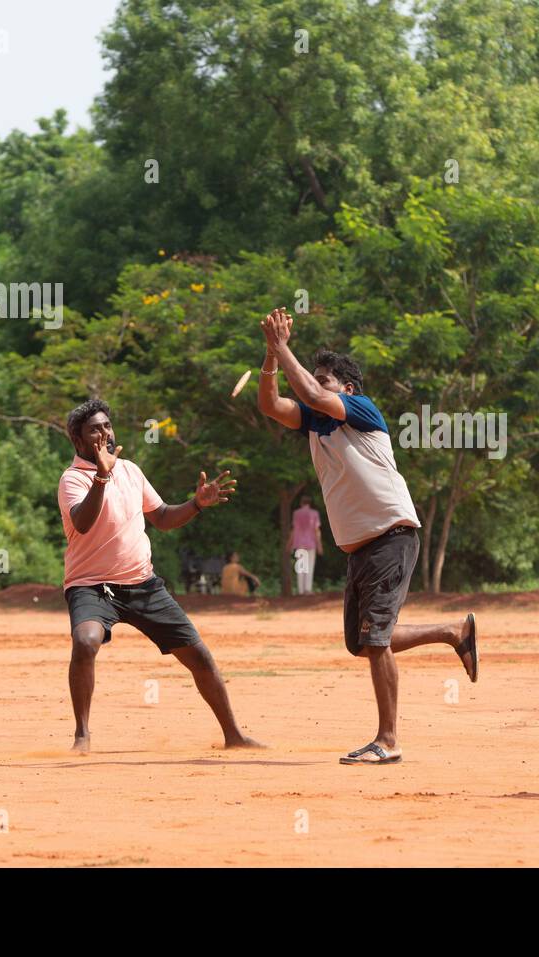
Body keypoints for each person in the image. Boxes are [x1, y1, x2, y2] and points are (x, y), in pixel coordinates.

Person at [255, 306, 478, 765]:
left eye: (326, 378)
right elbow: (271, 405)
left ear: (348, 389)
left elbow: (314, 395)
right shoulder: (317, 424)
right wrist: (271, 358)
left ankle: (389, 741)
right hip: (360, 548)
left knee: (375, 640)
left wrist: (284, 346)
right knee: (361, 641)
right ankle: (455, 630)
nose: (316, 384)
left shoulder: (362, 411)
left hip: (391, 536)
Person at [58, 398, 263, 753]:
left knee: (198, 655)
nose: (104, 433)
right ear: (78, 441)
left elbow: (164, 518)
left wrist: (197, 504)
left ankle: (234, 735)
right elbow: (83, 521)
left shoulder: (131, 470)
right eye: (95, 428)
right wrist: (102, 477)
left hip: (141, 583)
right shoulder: (72, 479)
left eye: (107, 425)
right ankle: (82, 735)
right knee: (86, 640)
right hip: (92, 586)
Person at [290, 496, 323, 594]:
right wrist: (319, 545)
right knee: (309, 566)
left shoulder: (296, 513)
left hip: (299, 543)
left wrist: (290, 544)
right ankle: (307, 589)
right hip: (311, 543)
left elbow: (294, 529)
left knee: (300, 567)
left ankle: (300, 590)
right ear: (310, 503)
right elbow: (317, 530)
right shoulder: (314, 513)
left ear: (301, 503)